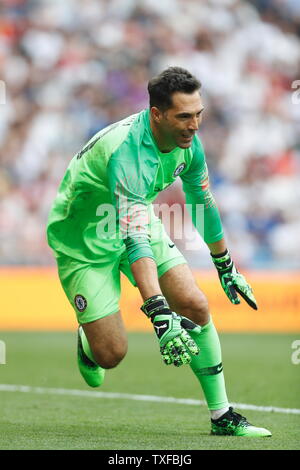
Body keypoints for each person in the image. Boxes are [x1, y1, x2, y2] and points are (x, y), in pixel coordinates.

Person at [47, 66, 271, 437]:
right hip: (83, 240)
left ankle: (222, 415)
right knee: (111, 354)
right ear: (157, 114)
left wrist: (225, 263)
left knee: (195, 304)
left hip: (135, 218)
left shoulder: (188, 142)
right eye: (184, 116)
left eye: (198, 113)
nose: (194, 125)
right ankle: (89, 341)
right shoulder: (128, 154)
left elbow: (202, 199)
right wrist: (157, 312)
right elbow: (134, 242)